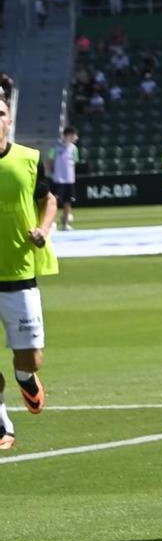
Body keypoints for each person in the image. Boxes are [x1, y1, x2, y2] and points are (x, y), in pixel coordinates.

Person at [0, 100, 59, 449]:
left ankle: (24, 375)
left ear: (8, 120)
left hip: (20, 271)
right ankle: (3, 426)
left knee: (31, 355)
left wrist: (43, 229)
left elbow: (48, 199)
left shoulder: (28, 158)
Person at [50, 127, 79, 230]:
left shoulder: (74, 149)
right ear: (68, 135)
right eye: (74, 135)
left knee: (68, 202)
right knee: (55, 202)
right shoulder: (55, 147)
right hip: (58, 180)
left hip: (69, 180)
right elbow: (50, 160)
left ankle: (66, 224)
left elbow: (74, 163)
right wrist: (53, 172)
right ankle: (52, 223)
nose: (76, 137)